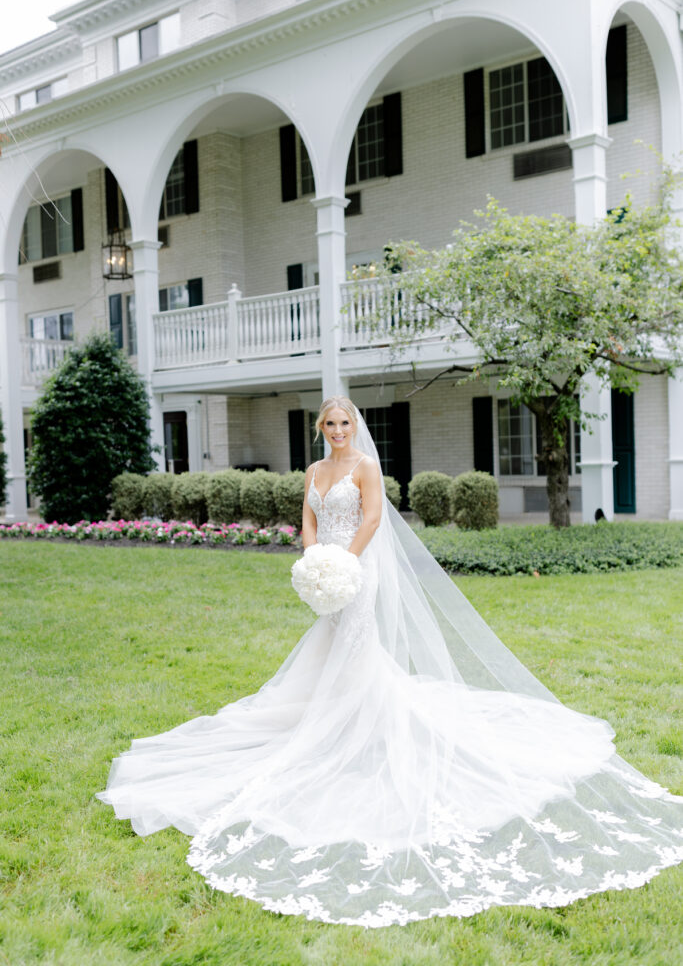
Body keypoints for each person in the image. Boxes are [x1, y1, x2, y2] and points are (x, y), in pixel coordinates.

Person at [97, 397, 683, 927]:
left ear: (356, 427)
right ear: (320, 429)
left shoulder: (364, 468)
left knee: (354, 644)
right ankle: (333, 714)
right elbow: (307, 517)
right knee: (330, 647)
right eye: (329, 424)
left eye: (345, 423)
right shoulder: (315, 471)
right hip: (326, 567)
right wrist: (313, 558)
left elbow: (372, 519)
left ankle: (354, 723)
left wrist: (345, 562)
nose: (337, 431)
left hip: (359, 566)